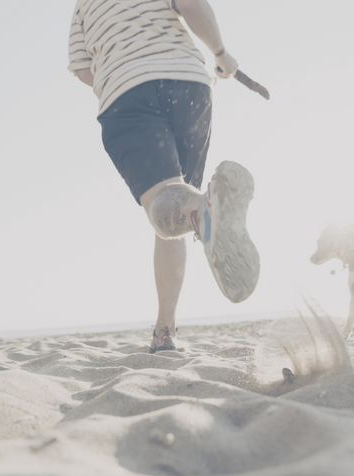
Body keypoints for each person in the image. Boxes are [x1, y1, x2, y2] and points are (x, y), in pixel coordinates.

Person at [68, 0, 260, 352]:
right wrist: (221, 54)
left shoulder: (83, 6)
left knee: (168, 200)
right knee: (180, 202)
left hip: (126, 96)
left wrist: (115, 74)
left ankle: (203, 211)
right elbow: (191, 4)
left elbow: (82, 69)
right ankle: (165, 328)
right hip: (188, 84)